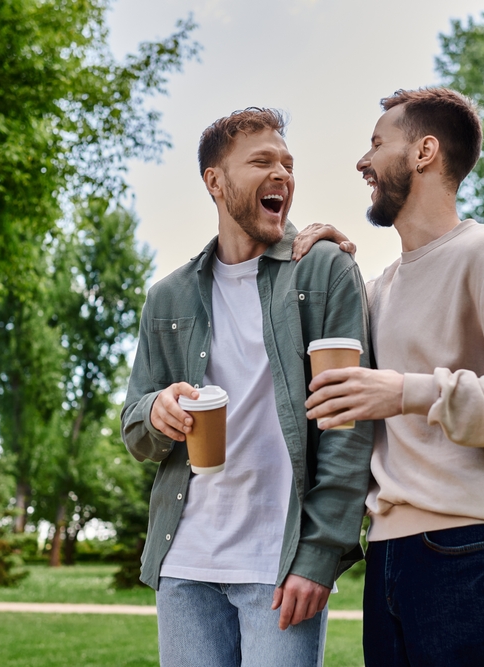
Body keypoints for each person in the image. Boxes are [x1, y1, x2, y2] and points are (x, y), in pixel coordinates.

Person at [296, 88, 484, 666]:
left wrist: (408, 391)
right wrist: (331, 267)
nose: (362, 161)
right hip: (388, 556)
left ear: (424, 151)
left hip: (470, 549)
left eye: (377, 144)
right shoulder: (381, 286)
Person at [121, 107, 373, 667]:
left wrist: (320, 554)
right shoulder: (169, 297)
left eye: (288, 163)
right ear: (215, 181)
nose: (282, 173)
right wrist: (155, 411)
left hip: (278, 567)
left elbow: (347, 426)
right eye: (262, 161)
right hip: (184, 562)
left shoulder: (321, 270)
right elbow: (134, 429)